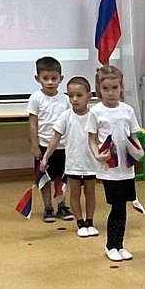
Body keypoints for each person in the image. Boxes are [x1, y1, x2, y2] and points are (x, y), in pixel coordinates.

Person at [85, 65, 142, 261]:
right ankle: (111, 245)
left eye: (115, 88)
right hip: (109, 169)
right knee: (117, 207)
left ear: (121, 88)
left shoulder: (127, 110)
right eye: (106, 88)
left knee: (123, 207)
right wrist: (97, 155)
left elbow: (133, 136)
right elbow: (92, 139)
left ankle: (120, 245)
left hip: (126, 168)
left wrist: (138, 151)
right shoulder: (96, 112)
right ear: (98, 89)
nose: (110, 93)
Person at [52, 75, 100, 239]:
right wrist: (45, 157)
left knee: (90, 193)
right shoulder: (66, 116)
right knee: (74, 194)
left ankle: (90, 222)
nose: (74, 99)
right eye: (71, 95)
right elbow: (55, 138)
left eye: (79, 95)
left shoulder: (94, 116)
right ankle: (80, 223)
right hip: (73, 163)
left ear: (89, 96)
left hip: (91, 163)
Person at [28, 55, 71, 223]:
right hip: (43, 146)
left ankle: (61, 204)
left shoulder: (65, 99)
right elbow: (33, 123)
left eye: (54, 78)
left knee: (61, 177)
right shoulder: (35, 98)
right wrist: (34, 145)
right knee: (44, 178)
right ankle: (48, 207)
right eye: (45, 78)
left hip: (63, 146)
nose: (50, 82)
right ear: (37, 78)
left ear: (61, 78)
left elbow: (70, 121)